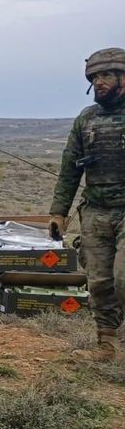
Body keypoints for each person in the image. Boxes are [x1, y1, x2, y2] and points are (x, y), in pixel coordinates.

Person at [51, 47, 125, 364]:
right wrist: (58, 212)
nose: (100, 82)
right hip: (96, 212)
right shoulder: (87, 119)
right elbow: (70, 169)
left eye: (106, 74)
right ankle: (107, 346)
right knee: (100, 282)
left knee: (124, 278)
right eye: (95, 77)